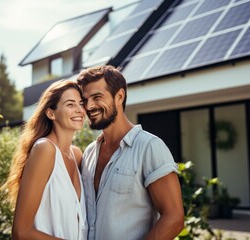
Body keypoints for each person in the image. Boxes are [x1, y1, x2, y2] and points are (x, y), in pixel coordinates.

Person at [77, 65, 185, 240]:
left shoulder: (149, 146)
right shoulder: (89, 152)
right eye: (84, 100)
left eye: (97, 97)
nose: (89, 106)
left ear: (119, 96)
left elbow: (174, 218)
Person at [2, 79, 88, 240]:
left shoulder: (76, 155)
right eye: (70, 104)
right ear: (51, 113)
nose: (79, 110)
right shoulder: (45, 149)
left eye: (81, 104)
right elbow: (21, 232)